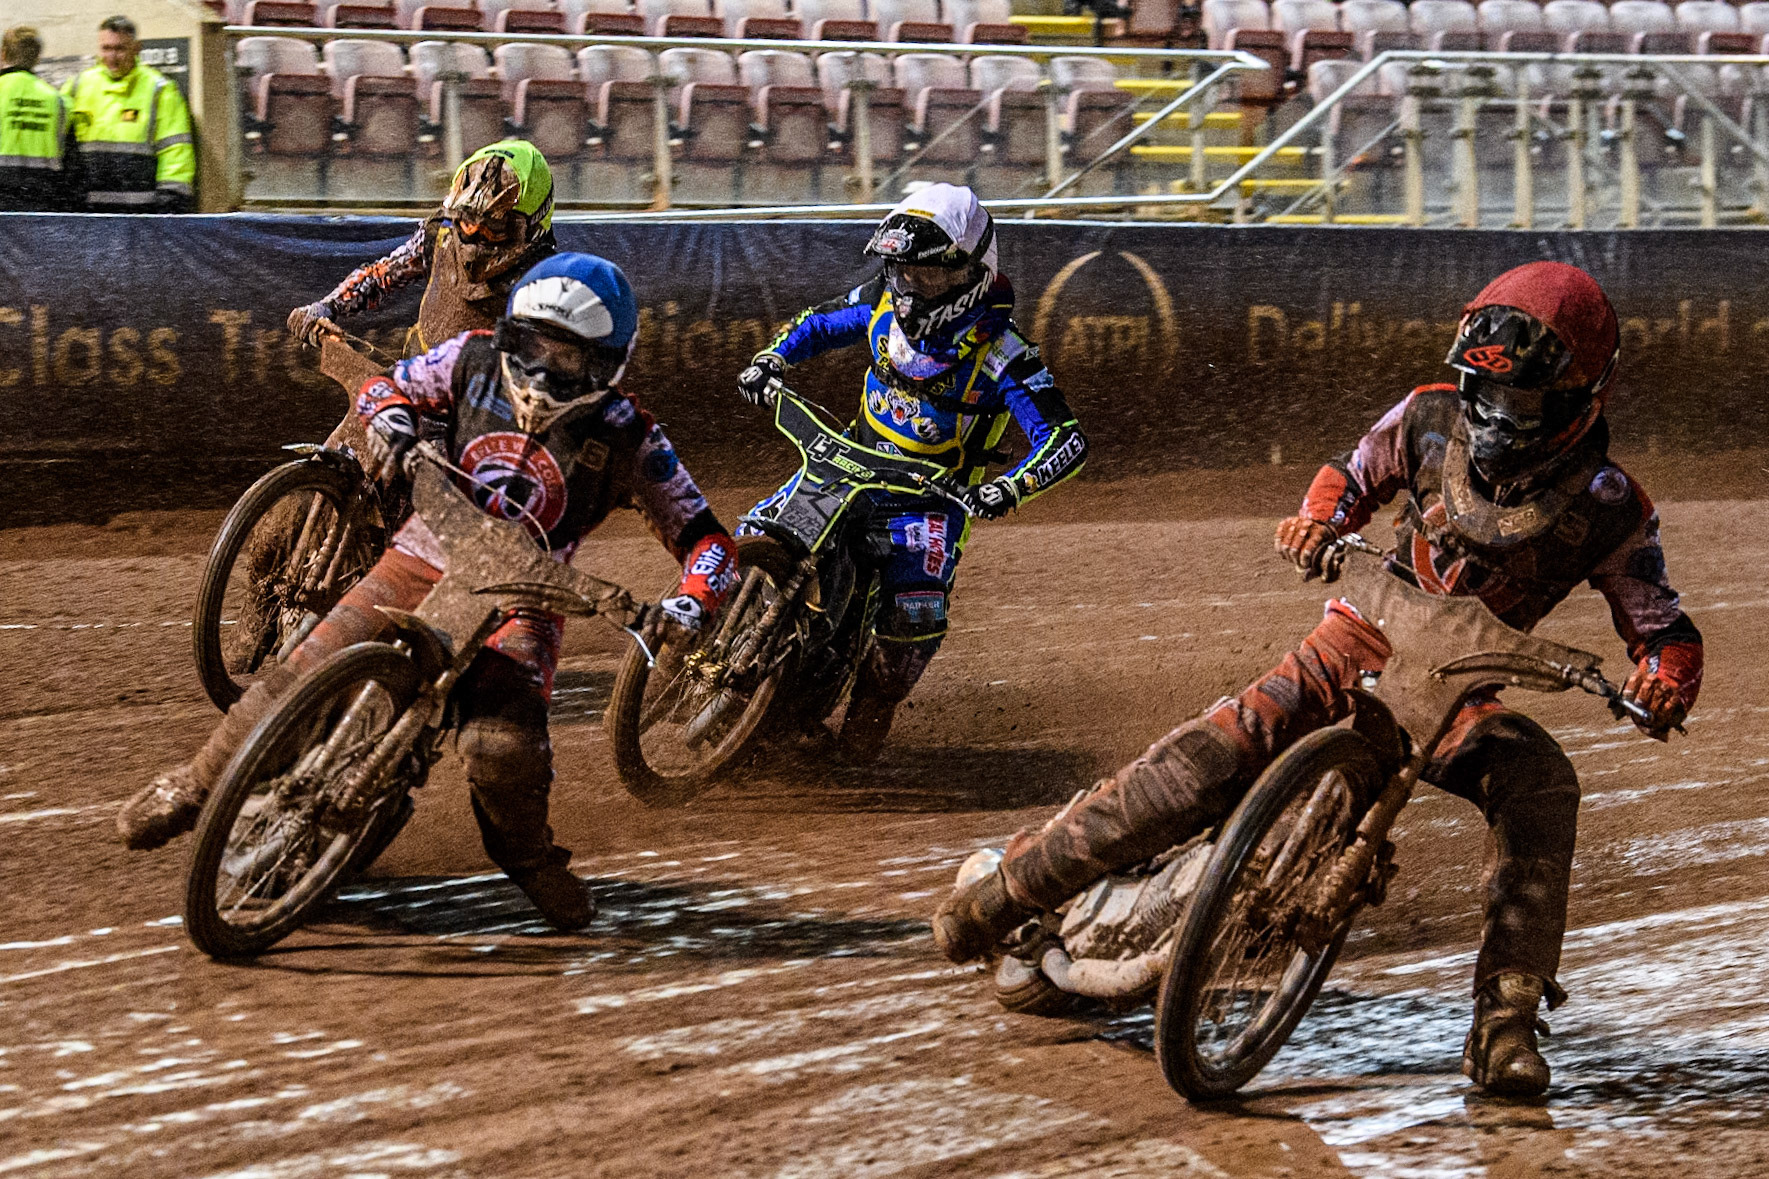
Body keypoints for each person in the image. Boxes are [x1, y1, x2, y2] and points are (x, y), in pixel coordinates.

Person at [932, 261, 1703, 1098]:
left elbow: (1661, 622)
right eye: (1482, 395)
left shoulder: (1611, 505)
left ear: (1579, 394)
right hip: (1349, 642)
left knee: (1539, 780)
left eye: (1518, 402)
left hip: (1455, 695)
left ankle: (1504, 1021)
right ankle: (1000, 898)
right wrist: (1316, 521)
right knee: (1204, 758)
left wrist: (1662, 680)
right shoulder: (1425, 416)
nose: (1493, 418)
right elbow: (1350, 471)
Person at [116, 254, 741, 932]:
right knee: (304, 666)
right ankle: (194, 783)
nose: (540, 370)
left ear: (607, 364)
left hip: (523, 600)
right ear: (509, 333)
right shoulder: (470, 359)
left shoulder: (629, 436)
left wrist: (691, 601)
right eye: (531, 346)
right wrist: (389, 417)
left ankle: (529, 859)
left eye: (566, 358)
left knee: (501, 749)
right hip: (422, 553)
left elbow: (706, 538)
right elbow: (391, 384)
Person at [735, 184, 1088, 764]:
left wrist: (1008, 487)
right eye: (902, 272)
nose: (910, 287)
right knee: (758, 529)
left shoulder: (1002, 351)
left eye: (928, 276)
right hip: (849, 459)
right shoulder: (880, 299)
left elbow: (1064, 439)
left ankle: (858, 742)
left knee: (908, 624)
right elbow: (820, 322)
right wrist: (773, 358)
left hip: (930, 497)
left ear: (972, 271)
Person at [288, 139, 557, 358]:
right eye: (466, 223)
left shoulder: (548, 280)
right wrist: (324, 308)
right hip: (417, 379)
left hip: (491, 402)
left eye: (492, 229)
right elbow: (382, 275)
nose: (475, 238)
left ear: (533, 226)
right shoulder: (441, 234)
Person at [62, 15, 193, 212]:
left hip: (140, 212)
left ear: (136, 47)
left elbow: (176, 148)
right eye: (106, 48)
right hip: (87, 211)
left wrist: (172, 197)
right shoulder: (78, 86)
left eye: (120, 49)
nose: (112, 57)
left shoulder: (160, 90)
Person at [0, 26, 83, 212]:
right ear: (37, 57)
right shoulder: (59, 102)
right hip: (43, 209)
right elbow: (73, 171)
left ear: (3, 54)